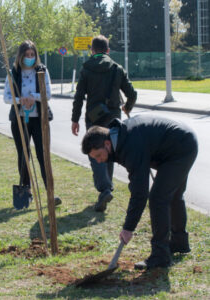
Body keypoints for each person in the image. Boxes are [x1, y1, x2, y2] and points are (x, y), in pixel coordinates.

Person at [81, 115, 198, 269]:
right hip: (180, 140)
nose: (99, 161)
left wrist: (128, 228)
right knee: (173, 195)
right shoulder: (121, 137)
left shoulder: (129, 146)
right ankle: (179, 243)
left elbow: (140, 192)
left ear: (107, 144)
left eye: (98, 155)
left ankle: (160, 256)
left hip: (181, 147)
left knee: (158, 198)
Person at [71, 35, 137, 212]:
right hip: (113, 118)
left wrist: (75, 119)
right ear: (108, 51)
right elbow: (132, 93)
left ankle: (105, 189)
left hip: (93, 119)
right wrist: (127, 107)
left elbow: (78, 97)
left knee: (95, 154)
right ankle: (107, 186)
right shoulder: (117, 68)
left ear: (92, 51)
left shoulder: (86, 69)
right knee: (110, 151)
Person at [4, 40, 61, 207]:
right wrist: (20, 100)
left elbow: (48, 94)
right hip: (20, 120)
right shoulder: (13, 72)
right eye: (26, 55)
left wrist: (33, 97)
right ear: (20, 56)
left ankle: (50, 193)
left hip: (40, 119)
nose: (30, 58)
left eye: (32, 55)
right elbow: (7, 97)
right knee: (24, 156)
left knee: (43, 156)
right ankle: (25, 193)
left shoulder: (42, 71)